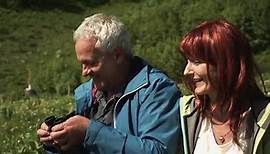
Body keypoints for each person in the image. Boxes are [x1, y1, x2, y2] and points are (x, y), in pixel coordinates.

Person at [37, 13, 181, 154]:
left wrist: (90, 132)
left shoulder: (157, 90)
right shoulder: (88, 94)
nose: (84, 72)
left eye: (91, 63)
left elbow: (158, 150)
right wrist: (59, 142)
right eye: (82, 64)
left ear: (117, 55)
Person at [178, 20, 270, 154]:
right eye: (187, 61)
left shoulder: (264, 119)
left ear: (225, 63)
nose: (186, 71)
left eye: (197, 62)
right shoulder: (187, 114)